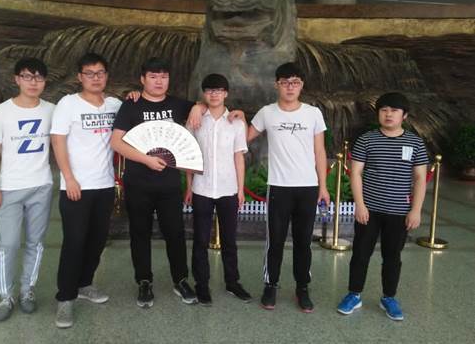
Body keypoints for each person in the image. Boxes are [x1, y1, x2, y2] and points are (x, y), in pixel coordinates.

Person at [111, 57, 243, 309]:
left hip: (169, 185)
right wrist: (146, 159)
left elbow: (211, 105)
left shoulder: (177, 104)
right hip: (138, 182)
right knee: (140, 233)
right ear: (142, 79)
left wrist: (197, 107)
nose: (159, 81)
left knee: (175, 233)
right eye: (153, 76)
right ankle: (144, 281)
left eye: (163, 76)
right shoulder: (131, 105)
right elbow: (116, 142)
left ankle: (180, 280)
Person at [337, 92, 429, 321]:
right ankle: (354, 294)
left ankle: (389, 297)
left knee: (392, 256)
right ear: (378, 113)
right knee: (360, 254)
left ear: (404, 115)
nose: (388, 114)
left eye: (394, 110)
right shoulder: (366, 140)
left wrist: (416, 210)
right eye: (384, 110)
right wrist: (360, 205)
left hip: (399, 212)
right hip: (369, 211)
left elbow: (420, 178)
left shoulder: (415, 142)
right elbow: (356, 173)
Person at [248, 62, 330, 312]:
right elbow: (243, 138)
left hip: (308, 186)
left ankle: (302, 287)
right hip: (279, 186)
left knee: (303, 241)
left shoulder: (313, 113)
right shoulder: (267, 112)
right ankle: (270, 285)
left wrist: (323, 187)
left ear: (301, 85)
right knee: (275, 240)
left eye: (295, 82)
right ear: (277, 85)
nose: (290, 87)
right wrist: (238, 115)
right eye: (285, 82)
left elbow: (319, 151)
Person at [51, 53, 122, 328]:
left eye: (100, 73)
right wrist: (68, 178)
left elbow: (134, 117)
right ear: (80, 77)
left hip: (104, 185)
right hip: (76, 187)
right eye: (90, 73)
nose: (96, 78)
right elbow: (58, 142)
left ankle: (85, 284)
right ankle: (65, 298)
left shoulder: (114, 105)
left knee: (97, 240)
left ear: (107, 75)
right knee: (74, 242)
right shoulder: (68, 104)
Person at [0, 57, 54, 322]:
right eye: (27, 76)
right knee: (9, 243)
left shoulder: (52, 110)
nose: (33, 82)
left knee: (36, 242)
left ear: (45, 81)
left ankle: (27, 291)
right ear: (17, 79)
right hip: (9, 187)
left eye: (38, 77)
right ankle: (6, 295)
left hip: (41, 185)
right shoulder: (1, 112)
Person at [184, 73, 252, 306]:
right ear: (204, 94)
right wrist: (189, 186)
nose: (214, 94)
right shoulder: (195, 120)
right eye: (210, 90)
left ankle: (232, 282)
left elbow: (239, 158)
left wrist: (240, 190)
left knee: (230, 240)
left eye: (219, 90)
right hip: (202, 188)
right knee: (200, 240)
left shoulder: (236, 123)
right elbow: (188, 155)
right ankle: (201, 285)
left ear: (226, 94)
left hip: (228, 189)